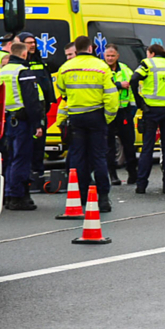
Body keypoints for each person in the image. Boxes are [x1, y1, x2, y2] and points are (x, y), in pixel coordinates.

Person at [55, 35, 118, 213]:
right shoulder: (101, 67)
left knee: (77, 157)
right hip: (96, 116)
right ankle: (103, 198)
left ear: (77, 49)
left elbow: (62, 92)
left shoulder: (65, 68)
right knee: (98, 157)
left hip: (76, 117)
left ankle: (80, 195)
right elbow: (111, 96)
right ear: (91, 48)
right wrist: (108, 117)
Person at [131, 43, 165, 195]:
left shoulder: (147, 64)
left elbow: (133, 80)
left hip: (151, 110)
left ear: (152, 53)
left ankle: (141, 185)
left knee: (147, 147)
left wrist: (139, 102)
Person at [0, 42, 45, 211]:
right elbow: (32, 101)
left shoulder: (3, 71)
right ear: (24, 54)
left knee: (11, 159)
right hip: (22, 121)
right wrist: (37, 124)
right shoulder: (23, 72)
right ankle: (19, 196)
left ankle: (9, 195)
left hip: (7, 120)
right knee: (22, 159)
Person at [19, 32, 55, 188]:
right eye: (28, 43)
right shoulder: (21, 64)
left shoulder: (40, 62)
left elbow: (46, 84)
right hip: (25, 109)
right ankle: (28, 176)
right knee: (27, 146)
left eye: (33, 42)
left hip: (40, 108)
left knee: (40, 143)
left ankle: (38, 173)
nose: (32, 45)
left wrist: (49, 102)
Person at [103, 43, 138, 185]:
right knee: (109, 146)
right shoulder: (101, 69)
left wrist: (131, 112)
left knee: (129, 144)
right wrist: (118, 85)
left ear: (117, 56)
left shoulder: (125, 70)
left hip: (124, 112)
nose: (110, 58)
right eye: (107, 56)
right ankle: (113, 175)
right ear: (103, 56)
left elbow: (133, 89)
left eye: (112, 56)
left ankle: (132, 174)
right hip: (107, 113)